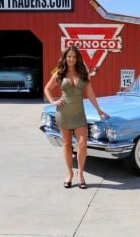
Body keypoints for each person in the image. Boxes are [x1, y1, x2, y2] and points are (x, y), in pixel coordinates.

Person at [44, 46, 109, 189]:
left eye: (74, 57)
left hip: (79, 114)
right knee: (67, 145)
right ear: (65, 58)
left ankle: (80, 174)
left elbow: (90, 92)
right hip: (63, 113)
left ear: (77, 58)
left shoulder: (83, 73)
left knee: (82, 144)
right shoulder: (60, 73)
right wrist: (53, 101)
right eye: (69, 56)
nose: (71, 59)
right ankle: (69, 174)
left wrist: (99, 110)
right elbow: (47, 88)